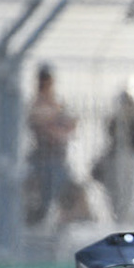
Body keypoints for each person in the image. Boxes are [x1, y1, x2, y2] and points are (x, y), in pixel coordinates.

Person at [25, 63, 79, 226]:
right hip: (42, 158)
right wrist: (54, 122)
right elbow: (38, 123)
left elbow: (69, 126)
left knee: (64, 196)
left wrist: (53, 122)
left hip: (58, 157)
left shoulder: (56, 102)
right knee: (43, 198)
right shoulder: (37, 103)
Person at [91, 89, 134, 222]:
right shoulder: (114, 121)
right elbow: (112, 137)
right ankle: (119, 215)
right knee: (117, 188)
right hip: (117, 158)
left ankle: (131, 216)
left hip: (133, 158)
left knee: (133, 188)